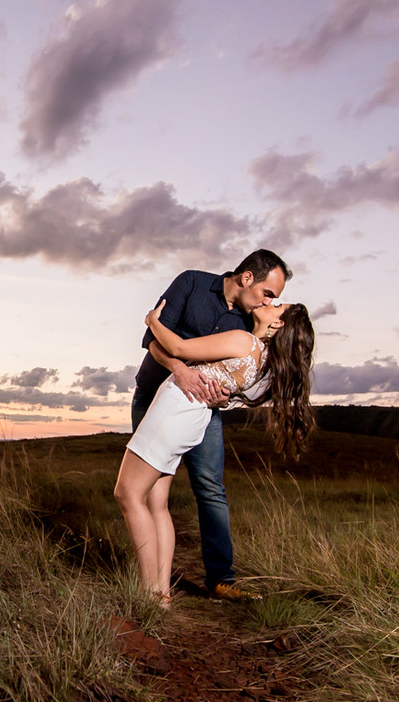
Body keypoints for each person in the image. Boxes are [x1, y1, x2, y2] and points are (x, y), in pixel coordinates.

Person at [124, 250, 302, 604]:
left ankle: (216, 580)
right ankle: (159, 592)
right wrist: (183, 370)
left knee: (206, 487)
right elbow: (154, 343)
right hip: (157, 395)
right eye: (269, 294)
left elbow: (230, 370)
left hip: (192, 411)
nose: (269, 301)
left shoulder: (246, 329)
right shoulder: (192, 283)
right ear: (248, 278)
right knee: (154, 497)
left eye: (275, 301)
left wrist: (224, 395)